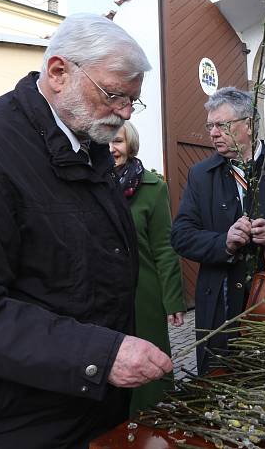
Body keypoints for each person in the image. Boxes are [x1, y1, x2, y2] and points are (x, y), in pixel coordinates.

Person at [0, 13, 174, 448]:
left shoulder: (89, 148)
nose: (124, 114)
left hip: (78, 412)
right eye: (114, 95)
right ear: (59, 72)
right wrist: (98, 356)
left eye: (132, 101)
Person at [171, 87, 265, 374]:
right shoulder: (200, 176)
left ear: (250, 125)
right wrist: (223, 242)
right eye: (210, 126)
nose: (213, 133)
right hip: (221, 306)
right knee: (220, 385)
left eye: (222, 125)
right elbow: (181, 236)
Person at [110, 121, 187, 414]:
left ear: (130, 146)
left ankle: (154, 425)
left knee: (149, 370)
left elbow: (164, 249)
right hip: (101, 291)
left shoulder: (153, 189)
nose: (110, 148)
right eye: (106, 140)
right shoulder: (90, 183)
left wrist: (173, 299)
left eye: (117, 141)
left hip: (144, 296)